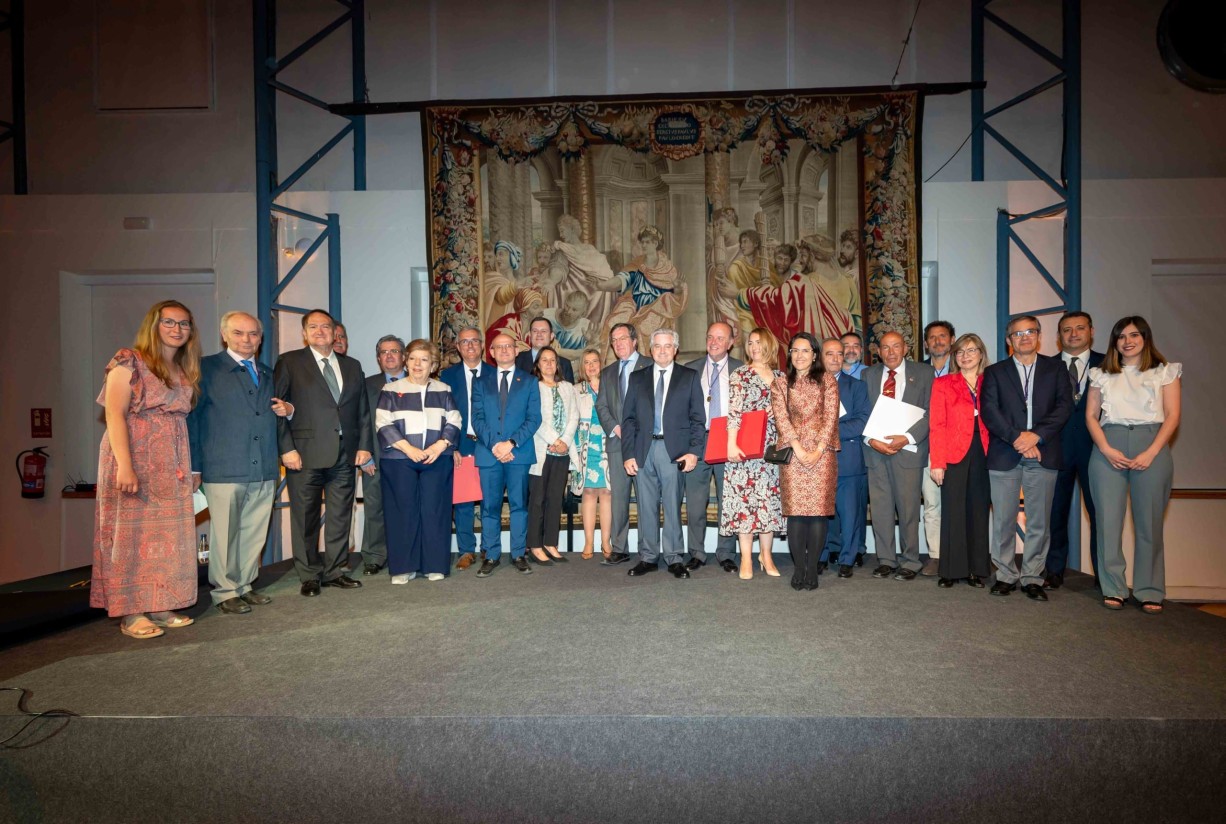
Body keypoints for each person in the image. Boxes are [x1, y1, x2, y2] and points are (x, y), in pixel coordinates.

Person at [91, 300, 202, 639]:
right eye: (169, 322)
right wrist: (125, 466)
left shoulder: (184, 369)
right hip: (134, 458)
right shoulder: (130, 360)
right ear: (153, 325)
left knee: (169, 537)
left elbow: (180, 422)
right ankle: (131, 611)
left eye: (183, 324)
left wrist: (189, 466)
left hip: (172, 464)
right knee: (132, 536)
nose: (176, 329)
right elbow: (114, 415)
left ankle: (159, 603)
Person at [188, 311, 291, 615]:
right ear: (225, 336)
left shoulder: (271, 374)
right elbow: (192, 421)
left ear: (261, 337)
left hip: (263, 468)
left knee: (254, 531)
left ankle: (245, 585)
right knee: (226, 533)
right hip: (223, 467)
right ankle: (225, 591)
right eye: (238, 333)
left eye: (253, 334)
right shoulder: (205, 369)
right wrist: (196, 467)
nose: (247, 340)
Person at [274, 309, 374, 597]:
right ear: (304, 333)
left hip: (345, 454)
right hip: (303, 455)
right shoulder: (290, 362)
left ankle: (333, 571)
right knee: (304, 517)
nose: (320, 331)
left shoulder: (352, 366)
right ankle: (309, 575)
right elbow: (278, 408)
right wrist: (286, 449)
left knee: (341, 515)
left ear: (335, 332)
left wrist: (364, 446)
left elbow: (362, 412)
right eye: (313, 327)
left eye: (326, 327)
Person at [1086, 316, 1181, 614]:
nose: (1127, 341)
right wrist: (1105, 448)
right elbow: (1090, 416)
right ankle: (1113, 587)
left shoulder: (1165, 372)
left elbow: (1173, 416)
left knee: (1149, 523)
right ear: (1114, 342)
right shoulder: (1101, 374)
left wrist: (1152, 451)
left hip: (1151, 443)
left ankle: (1149, 589)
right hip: (1107, 444)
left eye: (1134, 335)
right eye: (1121, 336)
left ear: (1145, 338)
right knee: (1108, 522)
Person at [981, 315, 1073, 602]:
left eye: (1029, 332)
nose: (1024, 337)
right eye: (1017, 334)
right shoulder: (995, 372)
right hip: (1005, 452)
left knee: (1039, 522)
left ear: (1039, 335)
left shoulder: (1056, 368)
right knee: (1004, 521)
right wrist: (1018, 438)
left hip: (1044, 452)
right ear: (1009, 341)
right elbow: (989, 410)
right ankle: (1006, 574)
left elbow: (1064, 406)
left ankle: (1033, 576)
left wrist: (1036, 436)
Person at [621, 328, 705, 579]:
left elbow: (697, 419)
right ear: (651, 349)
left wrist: (693, 452)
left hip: (675, 452)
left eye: (668, 346)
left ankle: (673, 557)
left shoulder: (689, 377)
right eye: (657, 346)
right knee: (646, 505)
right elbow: (628, 420)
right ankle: (647, 556)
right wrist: (628, 454)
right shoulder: (637, 378)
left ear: (675, 349)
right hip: (643, 450)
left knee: (672, 505)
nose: (662, 350)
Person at [376, 339, 461, 584]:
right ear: (406, 360)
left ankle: (435, 565)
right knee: (402, 512)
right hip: (399, 459)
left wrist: (440, 445)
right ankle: (404, 568)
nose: (417, 364)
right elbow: (383, 422)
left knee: (435, 511)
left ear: (433, 364)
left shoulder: (443, 389)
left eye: (424, 359)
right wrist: (408, 449)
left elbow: (454, 420)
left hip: (436, 458)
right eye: (412, 358)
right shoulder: (391, 389)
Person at [862, 331, 935, 581]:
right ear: (878, 351)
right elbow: (862, 413)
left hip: (909, 451)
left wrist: (907, 438)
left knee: (908, 509)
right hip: (875, 452)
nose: (891, 352)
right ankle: (885, 559)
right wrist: (871, 439)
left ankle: (910, 560)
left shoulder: (925, 373)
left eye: (896, 346)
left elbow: (931, 412)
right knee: (881, 508)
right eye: (885, 347)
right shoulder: (867, 375)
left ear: (906, 348)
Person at [771, 332, 840, 591]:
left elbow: (831, 416)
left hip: (822, 456)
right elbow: (781, 419)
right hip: (793, 455)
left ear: (814, 355)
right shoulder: (780, 384)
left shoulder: (828, 381)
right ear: (789, 355)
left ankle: (813, 570)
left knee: (818, 515)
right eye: (795, 350)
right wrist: (798, 448)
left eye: (805, 350)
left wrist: (819, 449)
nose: (799, 355)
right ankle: (799, 568)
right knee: (797, 515)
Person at [472, 333, 542, 577]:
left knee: (519, 506)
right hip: (489, 454)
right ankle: (491, 555)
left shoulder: (530, 381)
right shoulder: (481, 382)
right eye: (499, 347)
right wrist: (496, 446)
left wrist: (510, 444)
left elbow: (535, 418)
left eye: (508, 347)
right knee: (489, 507)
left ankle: (518, 554)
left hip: (518, 453)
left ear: (515, 351)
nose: (504, 351)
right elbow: (477, 419)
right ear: (490, 351)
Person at [1045, 311, 1105, 590]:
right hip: (1056, 449)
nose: (1073, 334)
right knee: (1054, 513)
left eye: (1080, 328)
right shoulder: (1047, 367)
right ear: (1059, 337)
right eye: (1067, 330)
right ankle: (1054, 570)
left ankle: (1104, 574)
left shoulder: (1109, 364)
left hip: (1098, 451)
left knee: (1101, 514)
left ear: (1091, 331)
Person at [721, 327, 786, 580]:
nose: (754, 347)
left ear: (769, 344)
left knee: (769, 504)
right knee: (745, 503)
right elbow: (734, 411)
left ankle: (766, 555)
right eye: (750, 343)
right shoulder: (741, 374)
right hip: (745, 448)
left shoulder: (781, 376)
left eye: (759, 342)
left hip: (772, 449)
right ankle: (746, 557)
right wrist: (731, 444)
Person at [928, 333, 991, 589]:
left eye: (971, 350)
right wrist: (937, 462)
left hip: (985, 451)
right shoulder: (943, 384)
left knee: (978, 511)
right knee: (953, 511)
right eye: (960, 352)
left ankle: (976, 570)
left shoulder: (992, 381)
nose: (966, 356)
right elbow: (937, 425)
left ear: (981, 353)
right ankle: (951, 570)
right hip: (953, 453)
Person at [682, 322, 744, 573]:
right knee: (696, 500)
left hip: (728, 439)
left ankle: (726, 552)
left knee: (727, 498)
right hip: (699, 439)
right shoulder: (690, 369)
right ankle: (696, 552)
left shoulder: (742, 370)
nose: (714, 342)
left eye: (721, 338)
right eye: (710, 337)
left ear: (731, 343)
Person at [596, 323, 650, 566]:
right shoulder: (607, 372)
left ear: (634, 340)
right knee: (619, 498)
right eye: (614, 340)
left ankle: (648, 549)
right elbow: (602, 406)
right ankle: (619, 548)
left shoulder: (650, 365)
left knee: (646, 498)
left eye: (622, 338)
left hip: (645, 444)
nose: (618, 344)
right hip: (617, 443)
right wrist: (616, 428)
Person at [590, 225, 688, 356]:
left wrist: (677, 288)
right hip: (634, 304)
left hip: (656, 308)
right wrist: (602, 286)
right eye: (642, 242)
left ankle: (644, 366)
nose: (644, 245)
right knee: (614, 321)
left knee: (643, 327)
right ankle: (613, 365)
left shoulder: (667, 268)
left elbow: (676, 295)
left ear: (655, 243)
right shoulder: (637, 263)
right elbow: (622, 280)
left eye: (647, 242)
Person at [819, 337, 871, 578]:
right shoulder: (809, 385)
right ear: (821, 356)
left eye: (840, 354)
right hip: (815, 461)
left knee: (850, 513)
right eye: (830, 354)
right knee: (820, 513)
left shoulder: (857, 386)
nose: (836, 358)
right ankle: (821, 555)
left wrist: (826, 432)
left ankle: (847, 559)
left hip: (848, 459)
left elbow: (861, 421)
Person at [440, 326, 490, 570]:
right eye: (465, 342)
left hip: (490, 446)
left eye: (474, 341)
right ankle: (467, 550)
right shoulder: (447, 378)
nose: (470, 346)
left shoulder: (494, 373)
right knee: (463, 502)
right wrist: (450, 446)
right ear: (458, 348)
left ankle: (490, 549)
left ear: (482, 345)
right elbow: (442, 414)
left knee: (491, 499)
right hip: (460, 445)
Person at [526, 347, 579, 565]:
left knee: (556, 499)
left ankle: (550, 543)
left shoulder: (567, 387)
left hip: (563, 451)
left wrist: (564, 441)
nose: (549, 364)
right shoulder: (533, 387)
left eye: (552, 360)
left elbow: (574, 415)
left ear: (557, 364)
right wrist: (554, 440)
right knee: (537, 500)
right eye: (544, 360)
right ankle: (535, 545)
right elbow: (533, 418)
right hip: (541, 451)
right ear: (538, 364)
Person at [359, 335, 407, 576]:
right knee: (375, 507)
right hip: (375, 457)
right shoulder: (366, 385)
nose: (389, 356)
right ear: (378, 358)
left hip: (410, 458)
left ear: (404, 356)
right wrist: (364, 454)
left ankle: (406, 552)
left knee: (407, 507)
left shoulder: (417, 382)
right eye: (384, 352)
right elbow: (360, 421)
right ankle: (375, 556)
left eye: (395, 351)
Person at [920, 320, 956, 577]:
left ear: (952, 339)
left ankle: (960, 553)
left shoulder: (964, 368)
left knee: (959, 503)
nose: (938, 341)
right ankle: (936, 555)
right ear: (926, 344)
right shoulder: (919, 372)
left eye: (942, 336)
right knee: (932, 503)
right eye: (932, 338)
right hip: (927, 446)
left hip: (959, 446)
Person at [574, 348, 612, 560]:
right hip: (586, 447)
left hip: (608, 445)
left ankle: (606, 541)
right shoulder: (576, 389)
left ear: (601, 363)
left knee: (607, 493)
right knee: (588, 493)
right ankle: (589, 541)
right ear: (582, 366)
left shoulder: (611, 386)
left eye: (595, 361)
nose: (591, 366)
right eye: (587, 362)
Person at [515, 316, 576, 382]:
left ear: (551, 336)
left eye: (543, 331)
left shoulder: (564, 364)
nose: (539, 334)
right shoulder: (516, 360)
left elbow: (569, 391)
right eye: (535, 331)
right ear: (530, 335)